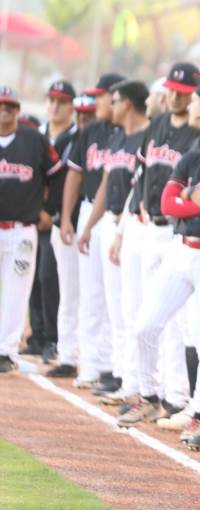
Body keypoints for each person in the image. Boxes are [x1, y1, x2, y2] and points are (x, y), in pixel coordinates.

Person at [128, 94, 200, 436]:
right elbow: (166, 204)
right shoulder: (194, 157)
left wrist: (192, 195)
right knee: (144, 326)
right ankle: (148, 394)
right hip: (180, 249)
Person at [130, 62, 200, 417]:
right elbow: (145, 169)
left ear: (193, 95)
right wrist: (145, 202)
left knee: (181, 323)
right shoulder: (157, 124)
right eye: (172, 89)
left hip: (181, 231)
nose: (175, 96)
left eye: (183, 91)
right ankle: (153, 390)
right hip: (153, 226)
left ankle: (177, 395)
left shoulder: (197, 134)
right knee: (150, 315)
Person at [77, 81, 149, 410]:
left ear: (129, 104)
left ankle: (135, 380)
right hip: (110, 221)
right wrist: (90, 226)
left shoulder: (145, 137)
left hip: (132, 224)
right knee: (116, 306)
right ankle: (121, 374)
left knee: (133, 307)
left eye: (115, 100)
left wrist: (120, 227)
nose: (110, 105)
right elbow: (106, 184)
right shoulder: (118, 136)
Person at [58, 72, 124, 387]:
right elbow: (75, 174)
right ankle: (89, 364)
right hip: (87, 210)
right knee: (90, 293)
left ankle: (112, 365)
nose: (94, 101)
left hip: (115, 216)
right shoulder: (91, 131)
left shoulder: (128, 133)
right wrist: (68, 217)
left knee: (113, 297)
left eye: (100, 96)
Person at [0, 85, 62, 372]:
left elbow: (57, 175)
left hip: (22, 230)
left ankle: (6, 352)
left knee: (16, 291)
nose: (5, 111)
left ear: (18, 110)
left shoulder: (34, 139)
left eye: (10, 106)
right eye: (1, 105)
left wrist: (50, 211)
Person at [27, 81, 76, 364]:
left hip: (56, 218)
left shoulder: (74, 136)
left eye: (62, 101)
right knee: (31, 277)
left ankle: (53, 338)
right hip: (30, 215)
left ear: (70, 106)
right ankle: (37, 335)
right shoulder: (37, 134)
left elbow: (65, 180)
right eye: (52, 100)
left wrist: (50, 211)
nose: (55, 106)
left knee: (49, 277)